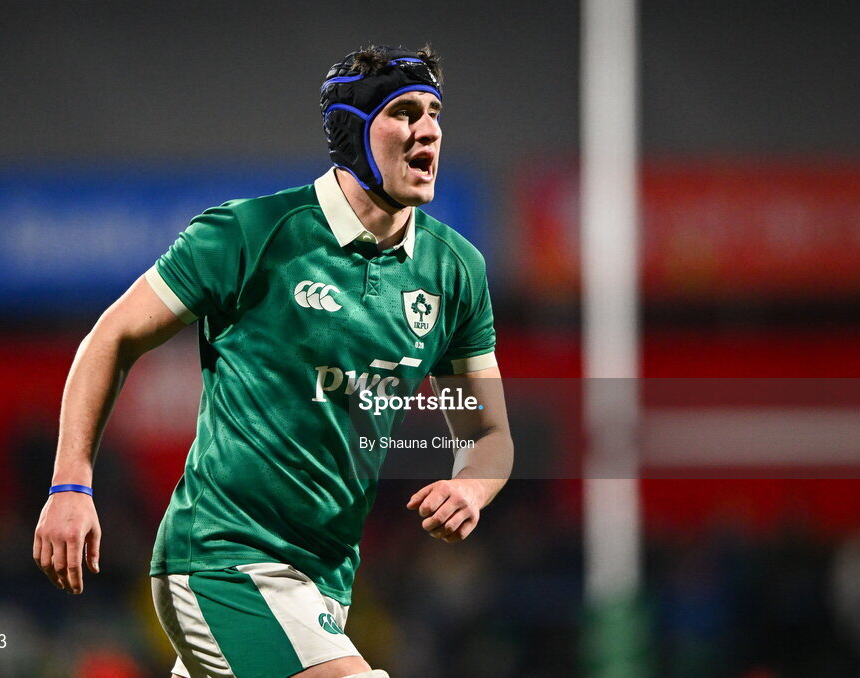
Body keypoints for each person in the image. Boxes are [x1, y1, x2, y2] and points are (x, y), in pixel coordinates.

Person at [33, 44, 513, 678]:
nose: (427, 130)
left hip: (325, 585)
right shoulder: (252, 233)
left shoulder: (455, 270)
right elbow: (110, 338)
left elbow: (487, 433)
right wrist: (70, 483)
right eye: (404, 113)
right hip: (221, 559)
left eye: (434, 113)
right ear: (354, 132)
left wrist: (471, 487)